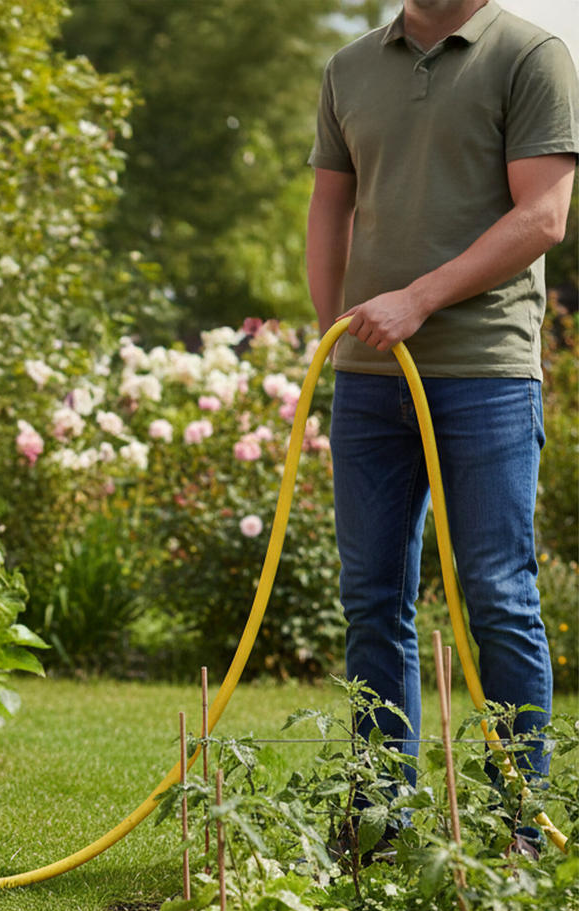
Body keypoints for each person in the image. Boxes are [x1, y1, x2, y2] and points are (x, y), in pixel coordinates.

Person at [305, 0, 578, 832]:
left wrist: (417, 300)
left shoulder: (532, 56)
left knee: (496, 595)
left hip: (484, 372)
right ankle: (380, 820)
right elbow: (328, 209)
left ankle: (519, 827)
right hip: (368, 375)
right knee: (371, 600)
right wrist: (334, 335)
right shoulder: (349, 69)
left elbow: (543, 216)